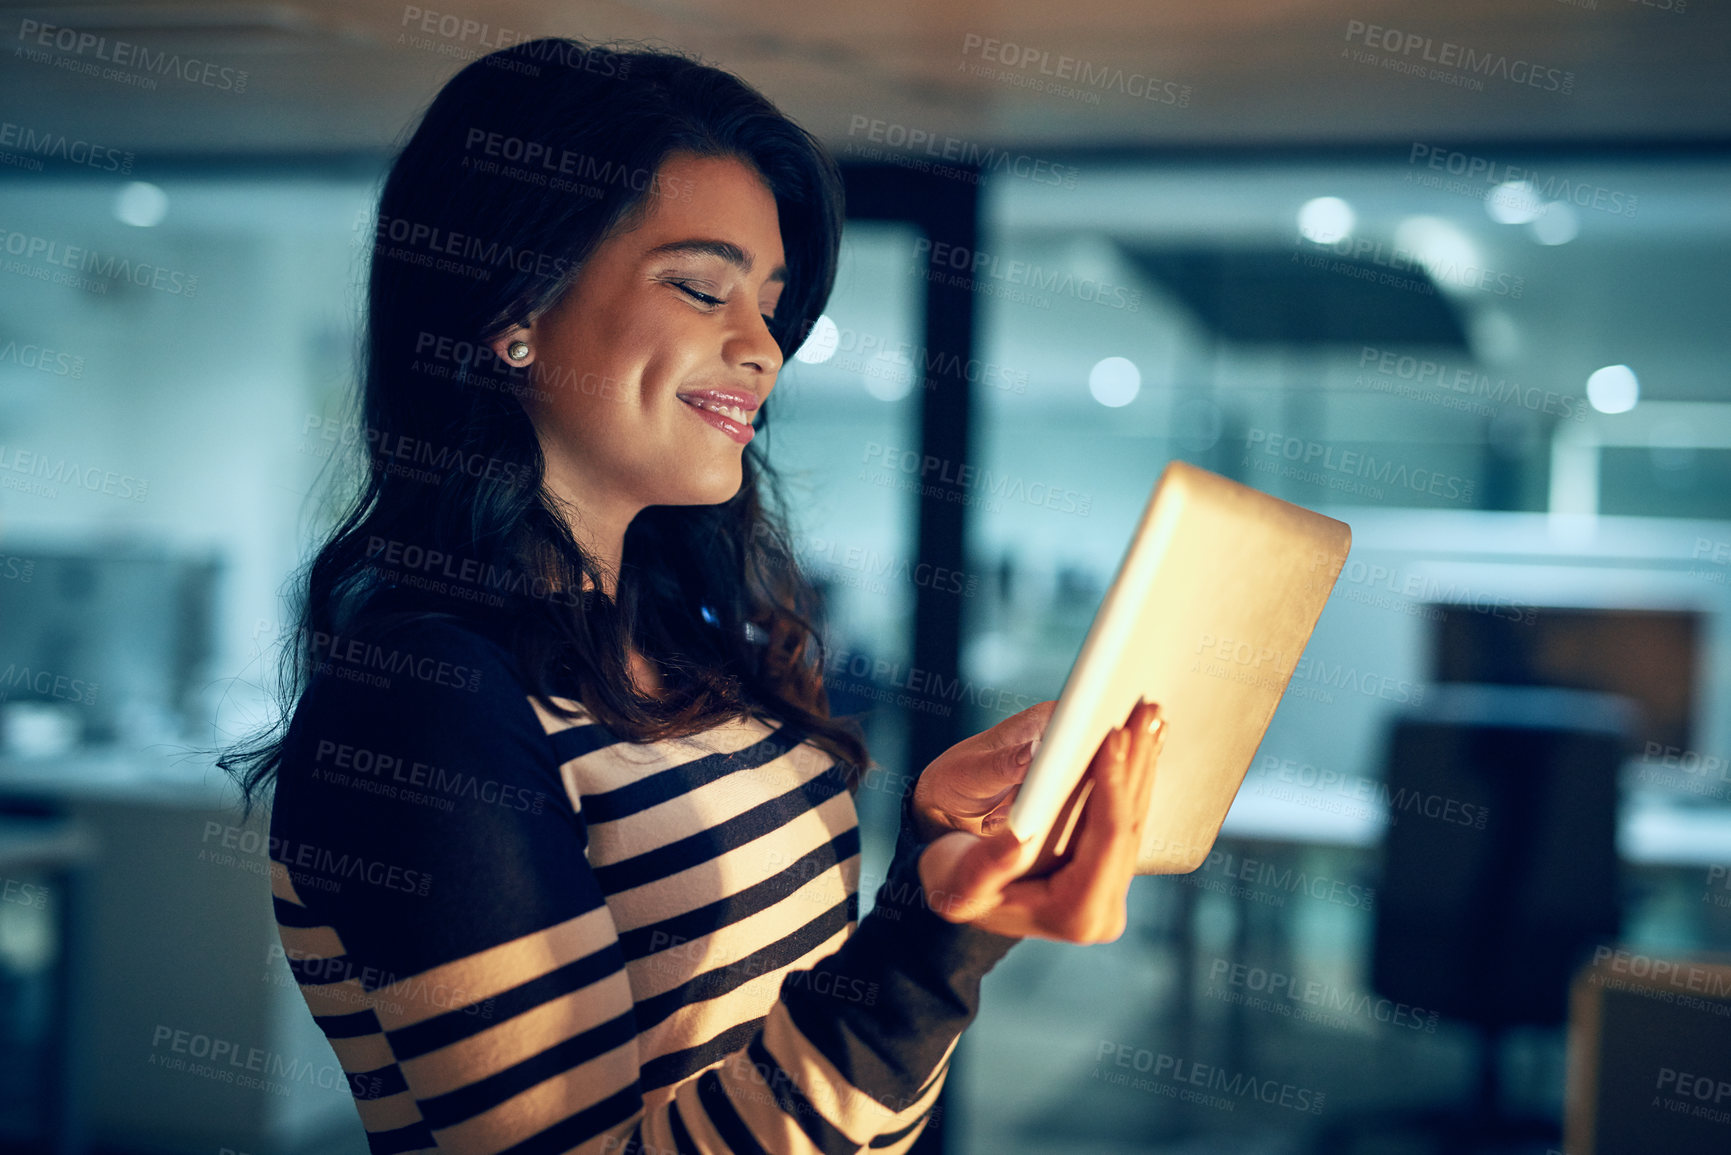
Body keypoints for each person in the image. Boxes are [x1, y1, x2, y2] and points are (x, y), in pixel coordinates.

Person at [222, 35, 1163, 1155]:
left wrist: (934, 878)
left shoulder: (691, 651)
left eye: (770, 304)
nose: (763, 345)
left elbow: (789, 1057)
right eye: (700, 286)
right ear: (512, 308)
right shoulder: (427, 702)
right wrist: (929, 953)